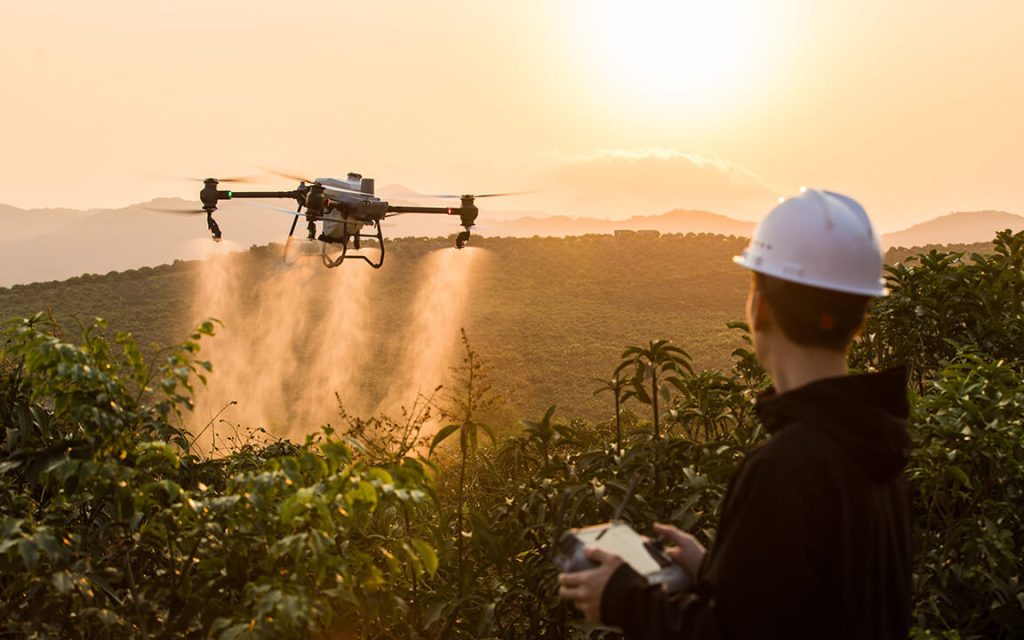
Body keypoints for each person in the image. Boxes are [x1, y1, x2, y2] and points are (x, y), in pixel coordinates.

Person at [558, 189, 913, 639]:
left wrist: (625, 598)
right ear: (859, 318)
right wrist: (715, 569)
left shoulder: (787, 467)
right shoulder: (879, 449)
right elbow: (816, 606)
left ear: (759, 306)